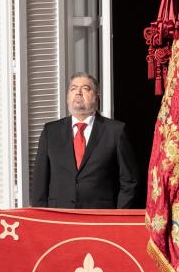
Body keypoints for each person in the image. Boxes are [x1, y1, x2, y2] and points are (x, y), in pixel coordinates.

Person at [31, 72, 140, 208]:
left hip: (100, 219)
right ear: (67, 97)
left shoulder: (115, 131)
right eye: (73, 88)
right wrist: (43, 219)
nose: (78, 93)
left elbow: (129, 181)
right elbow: (39, 183)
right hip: (59, 218)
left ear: (97, 97)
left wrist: (117, 218)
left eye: (85, 88)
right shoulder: (50, 131)